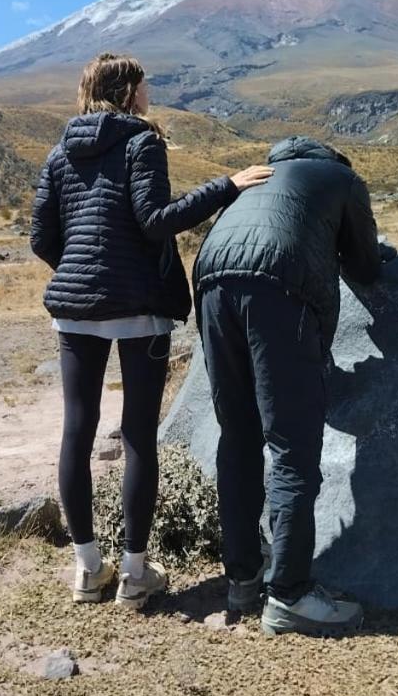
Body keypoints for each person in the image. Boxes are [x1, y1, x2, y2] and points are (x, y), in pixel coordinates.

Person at [30, 52, 272, 610]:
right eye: (145, 84)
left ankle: (88, 571)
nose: (150, 92)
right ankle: (135, 575)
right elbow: (156, 220)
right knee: (138, 435)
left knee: (77, 431)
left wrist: (82, 275)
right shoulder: (142, 141)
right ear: (127, 90)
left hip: (73, 311)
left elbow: (42, 237)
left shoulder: (60, 150)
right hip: (139, 309)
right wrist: (228, 186)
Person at [193, 135, 392, 636]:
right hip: (280, 286)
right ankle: (291, 595)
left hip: (212, 282)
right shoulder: (342, 179)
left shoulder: (256, 178)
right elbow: (366, 264)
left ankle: (242, 578)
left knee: (237, 435)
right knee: (291, 446)